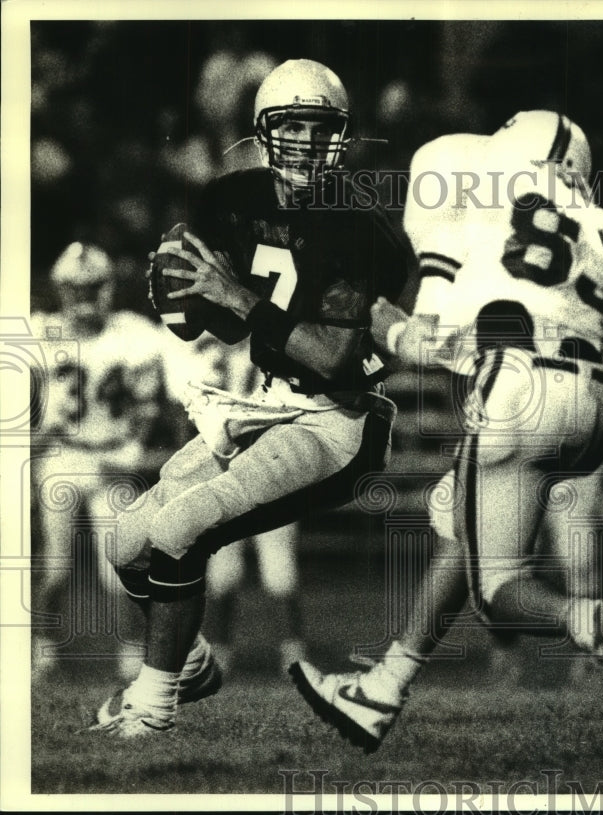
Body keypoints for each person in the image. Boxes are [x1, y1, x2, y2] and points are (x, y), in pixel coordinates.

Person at [289, 110, 603, 752]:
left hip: (520, 388)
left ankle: (599, 622)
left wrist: (389, 326)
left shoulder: (476, 185)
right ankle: (380, 692)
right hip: (599, 409)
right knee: (454, 522)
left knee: (497, 592)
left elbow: (429, 341)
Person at [88, 58, 411, 737]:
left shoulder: (362, 225)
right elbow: (232, 321)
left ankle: (152, 702)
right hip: (264, 404)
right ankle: (194, 659)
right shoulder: (233, 199)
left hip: (335, 420)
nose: (302, 141)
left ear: (340, 137)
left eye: (316, 127)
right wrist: (191, 301)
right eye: (288, 125)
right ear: (264, 133)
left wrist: (234, 294)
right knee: (126, 542)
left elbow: (332, 355)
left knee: (183, 530)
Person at [31, 242, 187, 679]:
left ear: (107, 288)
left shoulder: (133, 333)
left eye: (92, 288)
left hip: (115, 454)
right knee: (57, 563)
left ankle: (132, 652)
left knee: (119, 564)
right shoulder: (42, 331)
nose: (83, 298)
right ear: (61, 290)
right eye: (75, 289)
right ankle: (42, 649)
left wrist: (133, 453)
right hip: (63, 454)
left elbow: (148, 409)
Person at [187, 332, 308, 674]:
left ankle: (290, 651)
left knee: (277, 571)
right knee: (229, 573)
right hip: (237, 471)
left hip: (266, 469)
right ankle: (235, 652)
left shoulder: (264, 353)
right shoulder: (209, 353)